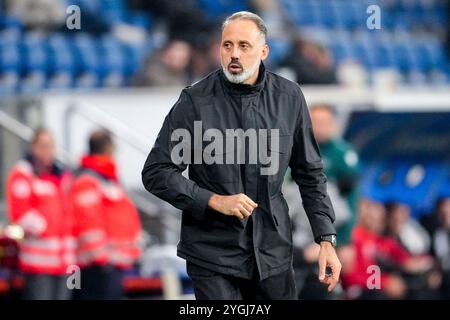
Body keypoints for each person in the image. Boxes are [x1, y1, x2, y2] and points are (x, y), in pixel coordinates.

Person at [142, 11, 340, 300]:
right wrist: (212, 200)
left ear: (264, 51)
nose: (234, 54)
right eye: (227, 45)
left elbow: (310, 173)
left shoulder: (289, 97)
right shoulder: (194, 101)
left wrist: (326, 239)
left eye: (243, 46)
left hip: (273, 253)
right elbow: (157, 171)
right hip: (212, 255)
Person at [71, 130, 142, 299]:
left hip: (113, 264)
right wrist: (101, 257)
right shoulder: (88, 180)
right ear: (108, 149)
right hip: (97, 267)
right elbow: (88, 223)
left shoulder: (108, 179)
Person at [6, 128, 74, 300]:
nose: (47, 151)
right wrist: (46, 230)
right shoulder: (23, 174)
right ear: (33, 147)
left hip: (66, 263)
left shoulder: (61, 176)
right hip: (39, 263)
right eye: (42, 146)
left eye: (50, 146)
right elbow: (20, 212)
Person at [310, 104, 360, 245]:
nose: (319, 127)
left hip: (337, 228)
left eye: (323, 122)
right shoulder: (298, 151)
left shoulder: (342, 153)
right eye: (315, 122)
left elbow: (350, 195)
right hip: (305, 231)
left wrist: (346, 239)